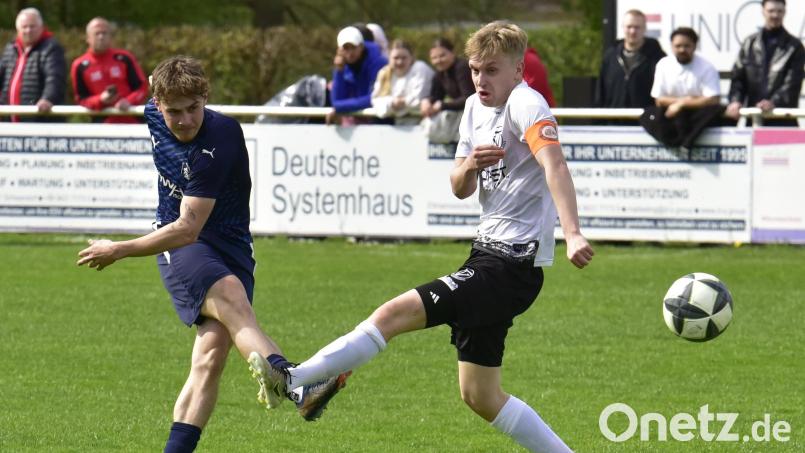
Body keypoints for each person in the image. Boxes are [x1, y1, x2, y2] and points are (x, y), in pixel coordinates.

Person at [270, 22, 594, 452]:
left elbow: (555, 166)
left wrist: (572, 233)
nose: (480, 80)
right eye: (476, 70)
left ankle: (296, 378)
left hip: (512, 265)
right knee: (480, 395)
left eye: (491, 70)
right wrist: (470, 166)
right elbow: (459, 186)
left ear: (518, 69)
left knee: (391, 315)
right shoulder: (475, 109)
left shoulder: (526, 104)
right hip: (485, 257)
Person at [76, 56, 345, 452]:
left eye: (193, 108)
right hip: (181, 244)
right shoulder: (154, 109)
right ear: (157, 103)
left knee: (209, 360)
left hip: (227, 243)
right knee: (232, 297)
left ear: (206, 97)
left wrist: (117, 249)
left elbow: (192, 223)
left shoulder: (219, 140)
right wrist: (125, 248)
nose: (184, 120)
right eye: (174, 111)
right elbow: (183, 233)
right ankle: (295, 383)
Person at [726, 0, 804, 126]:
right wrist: (735, 100)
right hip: (754, 119)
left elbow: (793, 83)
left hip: (783, 119)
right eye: (771, 11)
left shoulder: (795, 46)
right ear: (763, 11)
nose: (775, 15)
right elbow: (738, 78)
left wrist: (773, 103)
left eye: (779, 11)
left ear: (785, 12)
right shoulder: (749, 43)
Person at [642, 27, 723, 148]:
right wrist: (687, 101)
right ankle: (672, 145)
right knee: (650, 115)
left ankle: (687, 144)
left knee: (714, 111)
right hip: (670, 113)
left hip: (697, 115)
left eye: (686, 46)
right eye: (678, 46)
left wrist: (682, 104)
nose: (682, 49)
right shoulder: (663, 65)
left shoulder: (707, 67)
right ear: (671, 46)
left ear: (695, 46)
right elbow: (659, 100)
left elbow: (713, 100)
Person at [71, 17, 148, 124]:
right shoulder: (80, 65)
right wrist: (100, 100)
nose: (101, 37)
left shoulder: (124, 58)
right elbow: (81, 99)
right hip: (103, 126)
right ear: (88, 38)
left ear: (110, 36)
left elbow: (142, 87)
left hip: (133, 122)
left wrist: (128, 101)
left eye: (105, 33)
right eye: (97, 34)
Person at [595, 9, 665, 121]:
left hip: (646, 125)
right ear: (623, 27)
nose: (633, 31)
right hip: (613, 124)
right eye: (629, 27)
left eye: (637, 27)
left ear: (645, 29)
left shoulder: (658, 59)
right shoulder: (610, 56)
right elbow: (601, 92)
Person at [0, 7, 65, 122]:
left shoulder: (51, 48)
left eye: (32, 26)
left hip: (38, 120)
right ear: (18, 29)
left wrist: (47, 98)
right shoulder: (11, 49)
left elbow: (54, 77)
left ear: (41, 27)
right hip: (9, 120)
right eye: (24, 27)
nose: (28, 30)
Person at [328, 26, 388, 125]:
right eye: (346, 48)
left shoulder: (379, 63)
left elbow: (375, 98)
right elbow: (337, 100)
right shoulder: (343, 66)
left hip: (381, 121)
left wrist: (341, 107)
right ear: (339, 50)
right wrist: (339, 71)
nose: (350, 53)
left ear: (361, 46)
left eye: (353, 47)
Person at [371, 39, 434, 124]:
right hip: (393, 125)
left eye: (404, 58)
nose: (399, 62)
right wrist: (392, 103)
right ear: (389, 58)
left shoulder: (420, 68)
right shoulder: (384, 73)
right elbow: (375, 101)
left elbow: (418, 100)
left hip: (420, 124)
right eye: (396, 58)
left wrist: (403, 102)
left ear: (411, 57)